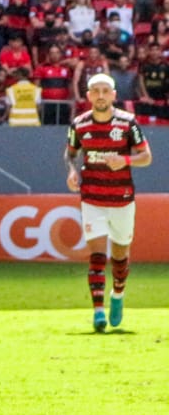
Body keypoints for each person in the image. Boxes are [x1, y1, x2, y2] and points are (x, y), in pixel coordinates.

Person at [65, 73, 152, 331]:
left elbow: (146, 156)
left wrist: (125, 160)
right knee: (97, 255)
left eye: (106, 91)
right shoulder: (79, 125)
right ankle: (98, 311)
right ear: (89, 95)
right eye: (96, 91)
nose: (101, 95)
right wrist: (71, 170)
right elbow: (71, 154)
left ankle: (118, 295)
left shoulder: (128, 123)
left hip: (122, 199)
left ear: (114, 95)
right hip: (92, 198)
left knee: (120, 254)